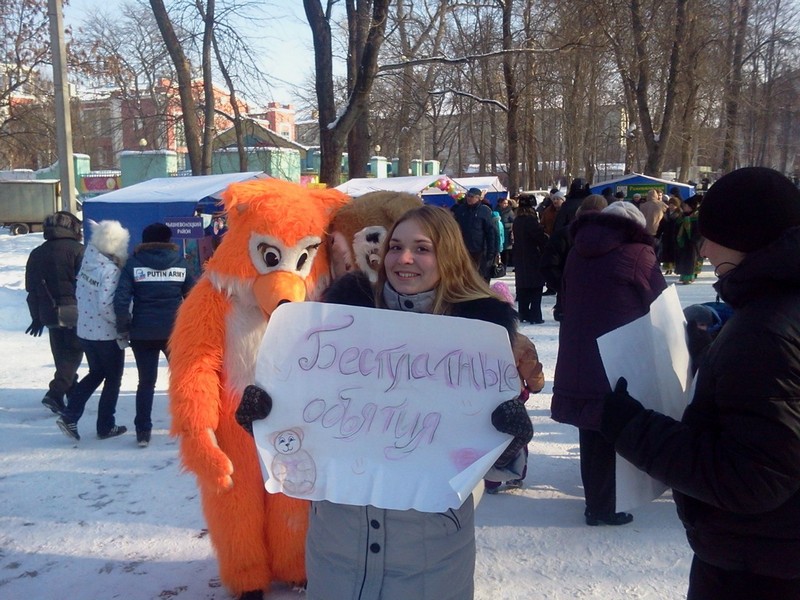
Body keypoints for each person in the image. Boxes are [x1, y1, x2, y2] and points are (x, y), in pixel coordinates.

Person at [237, 205, 533, 600]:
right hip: (338, 548)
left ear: (449, 256)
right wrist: (267, 421)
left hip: (430, 556)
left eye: (422, 248)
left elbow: (493, 465)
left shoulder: (480, 342)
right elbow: (305, 428)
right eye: (395, 246)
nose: (404, 258)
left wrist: (508, 441)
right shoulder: (335, 325)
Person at [600, 166, 800, 599]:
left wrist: (634, 429)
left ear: (746, 238)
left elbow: (755, 478)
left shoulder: (765, 330)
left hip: (759, 566)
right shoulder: (775, 310)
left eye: (713, 237)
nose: (704, 249)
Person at [551, 200, 666, 526]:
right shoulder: (638, 254)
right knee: (618, 423)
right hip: (620, 353)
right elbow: (659, 302)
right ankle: (608, 505)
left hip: (578, 352)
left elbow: (565, 295)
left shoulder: (577, 252)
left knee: (591, 429)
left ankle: (596, 503)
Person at [114, 223, 194, 447]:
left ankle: (143, 431)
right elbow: (194, 298)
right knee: (182, 380)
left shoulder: (133, 264)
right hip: (174, 332)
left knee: (146, 382)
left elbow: (121, 300)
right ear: (168, 240)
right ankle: (188, 424)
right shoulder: (181, 264)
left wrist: (123, 327)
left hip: (142, 333)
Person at [57, 220, 130, 442]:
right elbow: (106, 305)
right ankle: (105, 425)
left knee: (96, 373)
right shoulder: (109, 271)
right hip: (106, 334)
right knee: (113, 379)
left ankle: (70, 415)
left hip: (86, 331)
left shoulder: (88, 263)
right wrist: (122, 325)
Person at [484, 281, 545, 493]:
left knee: (490, 436)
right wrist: (536, 386)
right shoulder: (520, 341)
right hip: (513, 397)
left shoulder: (478, 339)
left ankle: (491, 480)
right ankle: (517, 474)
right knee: (518, 435)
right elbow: (532, 368)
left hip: (485, 396)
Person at [24, 211, 85, 414]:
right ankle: (55, 393)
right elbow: (87, 285)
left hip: (47, 311)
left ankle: (71, 391)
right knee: (73, 354)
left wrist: (36, 317)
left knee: (61, 354)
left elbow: (31, 290)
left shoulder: (36, 253)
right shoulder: (79, 251)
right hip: (75, 309)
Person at [540, 194, 607, 322]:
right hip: (602, 304)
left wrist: (566, 287)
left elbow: (548, 266)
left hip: (570, 302)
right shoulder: (610, 235)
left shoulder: (563, 234)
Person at [512, 194, 549, 324]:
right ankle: (535, 315)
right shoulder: (531, 221)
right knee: (536, 287)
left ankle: (523, 313)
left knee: (522, 287)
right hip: (533, 257)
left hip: (520, 257)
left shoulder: (517, 221)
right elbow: (539, 239)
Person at [451, 187, 499, 282]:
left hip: (480, 250)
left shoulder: (484, 211)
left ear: (478, 198)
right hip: (463, 249)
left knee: (480, 277)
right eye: (468, 196)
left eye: (472, 196)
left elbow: (491, 232)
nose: (469, 198)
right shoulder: (460, 210)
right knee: (465, 277)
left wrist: (492, 251)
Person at [675, 195, 702, 284]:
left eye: (686, 206)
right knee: (683, 259)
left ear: (691, 207)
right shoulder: (681, 216)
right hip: (683, 241)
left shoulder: (696, 217)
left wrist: (694, 239)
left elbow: (699, 231)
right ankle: (684, 276)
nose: (684, 207)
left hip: (693, 242)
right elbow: (676, 227)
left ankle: (689, 277)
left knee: (690, 259)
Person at [496, 196, 515, 266]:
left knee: (506, 250)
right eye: (504, 203)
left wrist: (506, 225)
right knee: (500, 249)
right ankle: (500, 264)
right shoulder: (496, 211)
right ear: (500, 203)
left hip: (507, 233)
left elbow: (514, 222)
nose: (505, 205)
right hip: (498, 232)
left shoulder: (509, 211)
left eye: (506, 203)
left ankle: (506, 264)